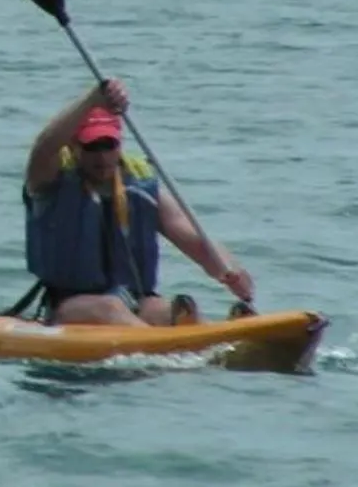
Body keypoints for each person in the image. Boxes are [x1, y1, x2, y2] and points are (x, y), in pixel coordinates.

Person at [23, 77, 254, 324]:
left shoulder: (140, 188)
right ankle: (166, 351)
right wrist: (92, 99)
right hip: (70, 306)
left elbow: (196, 240)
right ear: (74, 146)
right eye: (92, 146)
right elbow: (44, 147)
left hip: (135, 301)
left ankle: (214, 346)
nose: (101, 157)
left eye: (108, 145)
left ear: (119, 143)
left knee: (174, 310)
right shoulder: (49, 181)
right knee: (110, 308)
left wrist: (229, 268)